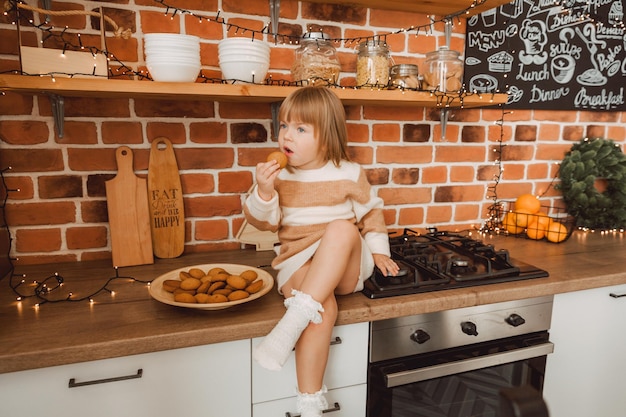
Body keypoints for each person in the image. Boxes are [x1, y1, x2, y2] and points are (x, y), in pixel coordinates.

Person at [244, 86, 399, 417]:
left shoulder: (349, 172)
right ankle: (311, 405)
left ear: (326, 139)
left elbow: (370, 213)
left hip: (343, 265)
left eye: (301, 129)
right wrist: (264, 191)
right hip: (297, 262)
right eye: (284, 125)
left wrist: (379, 249)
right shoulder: (278, 176)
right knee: (322, 308)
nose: (288, 135)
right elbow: (263, 222)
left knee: (342, 228)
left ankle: (288, 327)